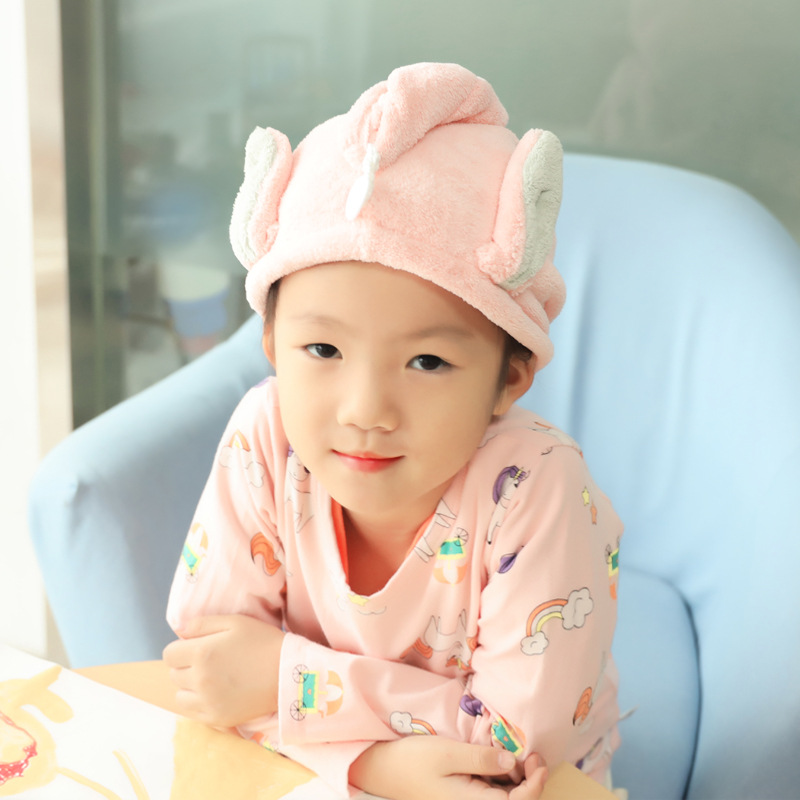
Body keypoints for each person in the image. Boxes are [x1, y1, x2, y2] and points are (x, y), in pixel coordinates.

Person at [163, 62, 623, 800]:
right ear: (272, 343)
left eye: (427, 361)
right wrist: (372, 766)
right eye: (322, 349)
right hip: (303, 775)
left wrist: (281, 679)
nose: (366, 410)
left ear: (510, 378)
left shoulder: (536, 486)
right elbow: (208, 671)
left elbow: (514, 749)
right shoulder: (267, 434)